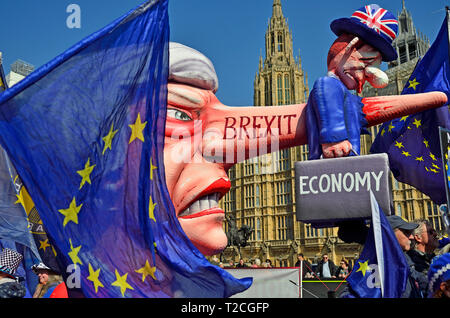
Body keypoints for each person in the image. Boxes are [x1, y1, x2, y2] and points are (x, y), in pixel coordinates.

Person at [387, 215, 427, 298]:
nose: (412, 237)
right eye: (406, 232)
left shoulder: (405, 259)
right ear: (390, 234)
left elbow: (423, 282)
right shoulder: (386, 266)